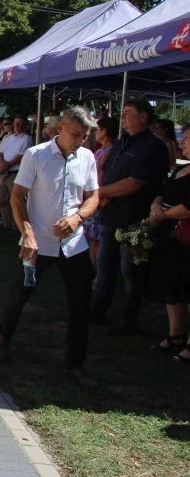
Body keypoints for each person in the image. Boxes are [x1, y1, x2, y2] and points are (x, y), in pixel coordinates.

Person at [0, 107, 99, 388]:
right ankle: (3, 338)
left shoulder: (87, 157)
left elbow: (93, 197)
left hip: (73, 246)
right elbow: (17, 197)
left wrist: (78, 217)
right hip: (38, 243)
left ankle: (75, 363)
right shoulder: (36, 155)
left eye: (86, 136)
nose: (81, 140)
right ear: (60, 127)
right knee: (21, 293)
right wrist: (27, 233)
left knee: (80, 304)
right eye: (76, 134)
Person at [90, 99, 169, 334]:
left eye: (128, 113)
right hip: (110, 215)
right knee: (104, 267)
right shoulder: (122, 142)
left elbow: (134, 184)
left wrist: (100, 193)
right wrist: (101, 193)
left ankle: (128, 321)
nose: (123, 118)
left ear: (144, 116)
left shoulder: (152, 147)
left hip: (133, 219)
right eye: (122, 114)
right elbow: (105, 169)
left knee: (130, 272)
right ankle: (97, 312)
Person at [145, 122, 190, 363]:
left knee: (188, 290)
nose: (184, 141)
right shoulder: (181, 169)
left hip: (187, 238)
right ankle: (176, 335)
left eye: (189, 138)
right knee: (172, 290)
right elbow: (163, 190)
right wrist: (156, 205)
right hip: (170, 238)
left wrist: (163, 214)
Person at [82, 116, 118, 270]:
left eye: (98, 129)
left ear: (105, 131)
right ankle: (93, 269)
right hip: (91, 196)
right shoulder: (100, 150)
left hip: (97, 197)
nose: (95, 132)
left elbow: (99, 176)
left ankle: (96, 272)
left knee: (96, 239)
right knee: (91, 238)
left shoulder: (110, 152)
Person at [0, 116, 32, 230]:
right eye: (16, 123)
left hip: (15, 172)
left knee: (15, 199)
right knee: (3, 198)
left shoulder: (27, 138)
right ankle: (6, 222)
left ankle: (18, 225)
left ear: (24, 125)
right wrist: (2, 163)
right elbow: (1, 152)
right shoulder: (8, 138)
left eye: (20, 124)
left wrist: (7, 164)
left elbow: (22, 155)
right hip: (3, 172)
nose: (17, 126)